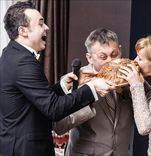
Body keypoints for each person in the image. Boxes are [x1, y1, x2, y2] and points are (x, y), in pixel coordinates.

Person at [0, 2, 114, 156]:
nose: (46, 27)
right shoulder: (23, 62)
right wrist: (93, 87)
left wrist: (63, 86)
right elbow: (53, 109)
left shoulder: (12, 54)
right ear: (23, 30)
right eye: (41, 24)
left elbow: (36, 99)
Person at [53, 28, 138, 156]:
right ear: (90, 57)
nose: (110, 60)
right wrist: (90, 94)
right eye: (103, 57)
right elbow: (60, 127)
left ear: (120, 49)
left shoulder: (131, 75)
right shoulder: (73, 80)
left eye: (114, 54)